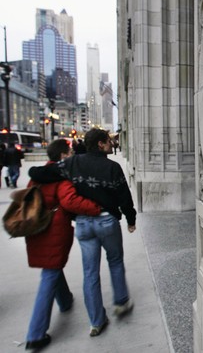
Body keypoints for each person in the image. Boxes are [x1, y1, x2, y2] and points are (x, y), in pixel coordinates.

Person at [29, 128, 137, 337]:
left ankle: (96, 321)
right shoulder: (112, 167)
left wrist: (41, 174)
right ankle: (121, 301)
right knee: (115, 261)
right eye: (108, 141)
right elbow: (124, 196)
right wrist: (130, 219)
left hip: (84, 225)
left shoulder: (72, 164)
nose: (110, 144)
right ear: (100, 144)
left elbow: (38, 172)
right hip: (107, 221)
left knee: (90, 272)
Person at [24, 139, 101, 350]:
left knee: (52, 266)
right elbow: (70, 201)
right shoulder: (61, 176)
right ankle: (35, 334)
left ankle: (65, 300)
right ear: (62, 156)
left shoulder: (38, 175)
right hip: (54, 231)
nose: (72, 155)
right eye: (69, 152)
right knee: (49, 273)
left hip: (36, 230)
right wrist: (96, 207)